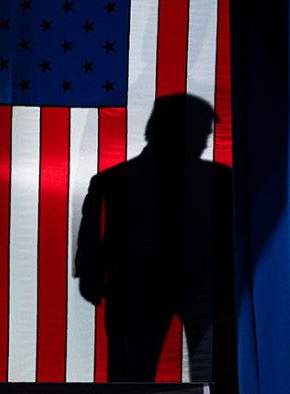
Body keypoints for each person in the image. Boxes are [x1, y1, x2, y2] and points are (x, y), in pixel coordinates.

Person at [74, 93, 235, 385]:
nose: (204, 141)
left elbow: (91, 237)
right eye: (201, 132)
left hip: (152, 290)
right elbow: (92, 235)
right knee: (207, 373)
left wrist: (89, 275)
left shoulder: (113, 180)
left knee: (136, 377)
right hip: (181, 290)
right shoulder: (222, 181)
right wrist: (88, 274)